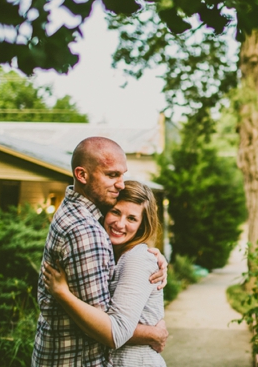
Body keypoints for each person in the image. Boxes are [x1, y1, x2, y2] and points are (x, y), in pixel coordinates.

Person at [32, 137, 168, 367]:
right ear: (82, 175)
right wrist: (153, 333)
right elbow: (110, 331)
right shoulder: (87, 231)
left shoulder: (70, 210)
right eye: (112, 175)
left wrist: (150, 257)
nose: (121, 184)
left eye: (122, 175)